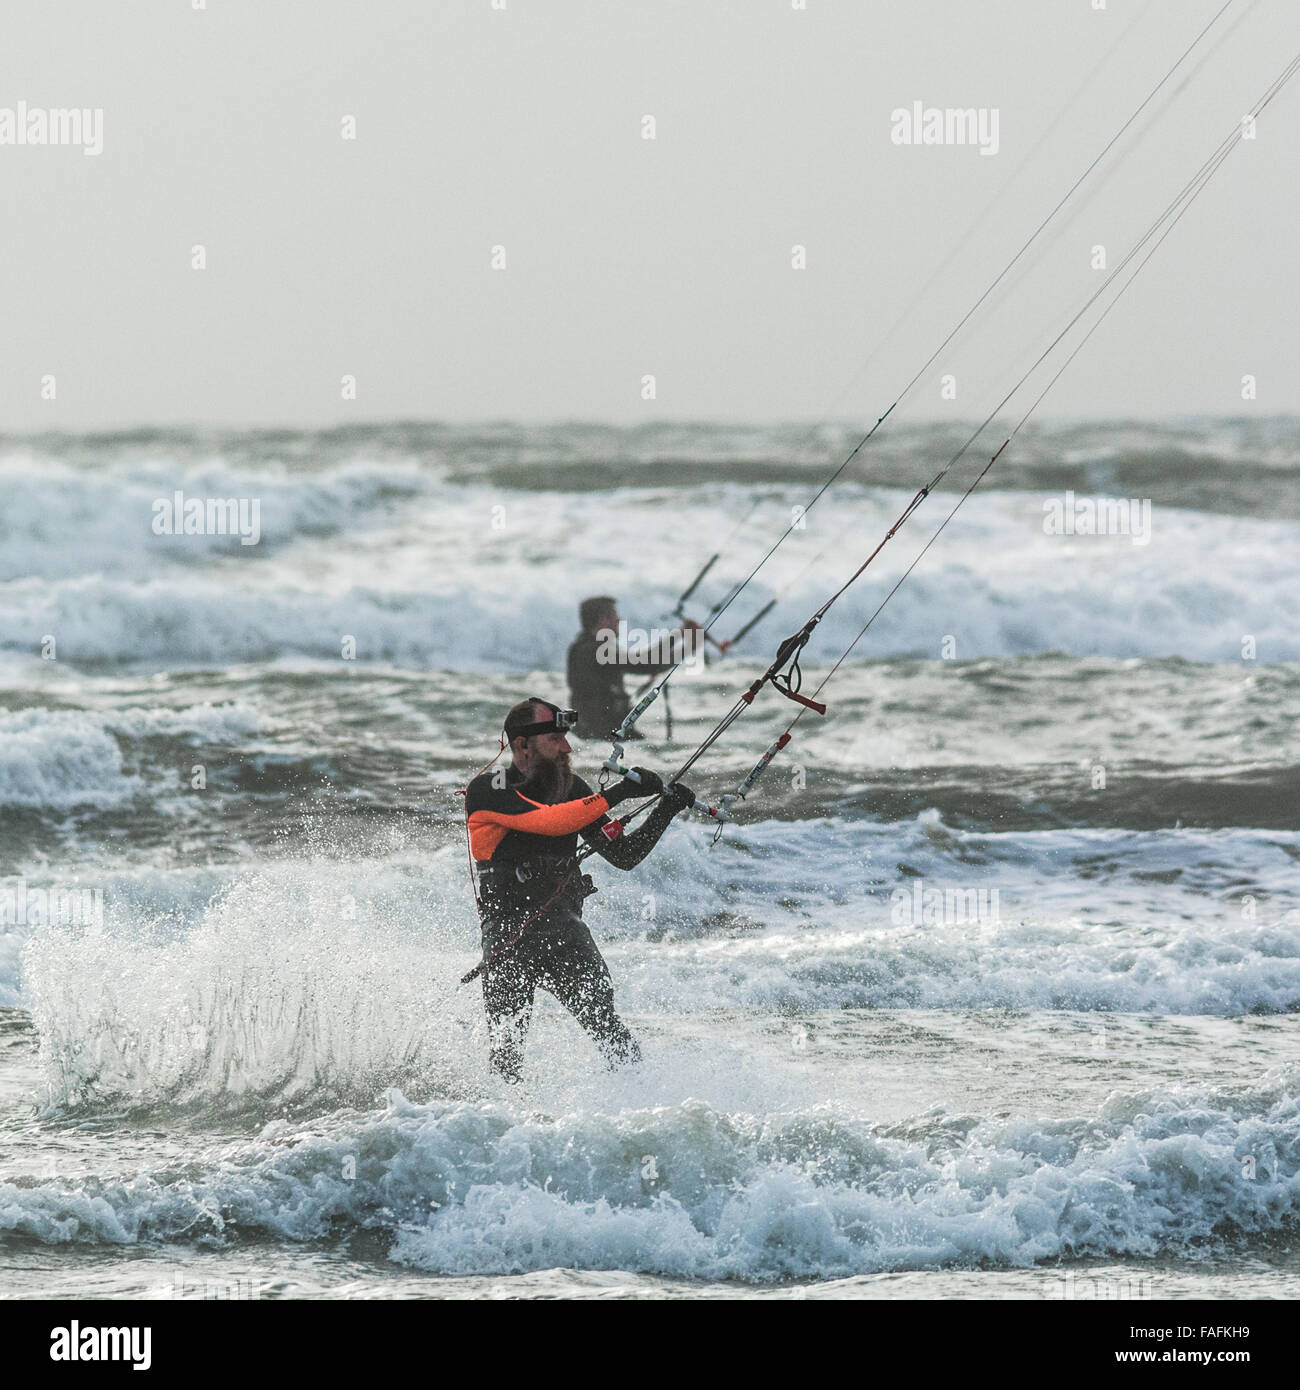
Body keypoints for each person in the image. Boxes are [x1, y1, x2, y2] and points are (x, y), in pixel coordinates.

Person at [463, 696, 696, 1082]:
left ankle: (638, 1113)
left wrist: (665, 808)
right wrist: (619, 794)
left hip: (562, 931)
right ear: (523, 745)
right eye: (555, 739)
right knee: (507, 1051)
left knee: (609, 1030)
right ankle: (502, 1131)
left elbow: (624, 855)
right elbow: (551, 822)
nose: (568, 748)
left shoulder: (573, 790)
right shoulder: (489, 789)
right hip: (508, 938)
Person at [566, 596, 701, 740]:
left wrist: (680, 636)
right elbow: (644, 664)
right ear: (602, 620)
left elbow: (644, 661)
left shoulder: (585, 646)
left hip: (595, 732)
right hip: (601, 733)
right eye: (615, 617)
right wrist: (687, 646)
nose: (618, 621)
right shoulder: (596, 650)